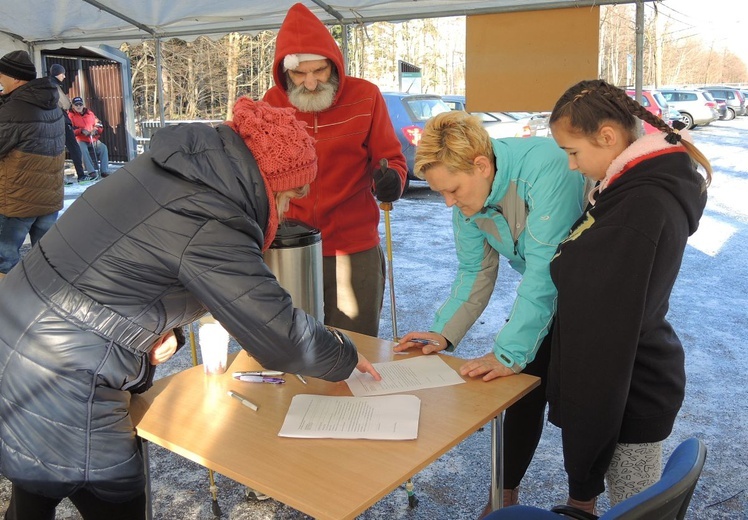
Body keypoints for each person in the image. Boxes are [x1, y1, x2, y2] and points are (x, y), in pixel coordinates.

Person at [0, 97, 381, 520]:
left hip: (20, 338)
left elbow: (127, 269)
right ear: (266, 179)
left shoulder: (170, 171)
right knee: (114, 495)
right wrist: (343, 354)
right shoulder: (211, 216)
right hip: (64, 368)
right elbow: (280, 335)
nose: (289, 210)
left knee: (34, 475)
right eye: (289, 195)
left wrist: (162, 331)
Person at [393, 110, 587, 514]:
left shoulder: (546, 168)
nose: (449, 203)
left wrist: (507, 353)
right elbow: (474, 270)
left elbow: (544, 271)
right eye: (440, 192)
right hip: (544, 288)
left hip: (591, 294)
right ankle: (503, 500)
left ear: (481, 165)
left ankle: (580, 505)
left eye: (453, 190)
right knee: (516, 395)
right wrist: (442, 333)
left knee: (579, 403)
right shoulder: (469, 195)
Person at [545, 79, 710, 514]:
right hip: (628, 385)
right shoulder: (627, 190)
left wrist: (582, 479)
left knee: (634, 511)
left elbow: (606, 341)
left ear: (608, 136)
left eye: (573, 152)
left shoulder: (638, 205)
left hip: (627, 396)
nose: (571, 166)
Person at [263, 2, 408, 337]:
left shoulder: (365, 96)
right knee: (293, 342)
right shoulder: (271, 102)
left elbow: (392, 159)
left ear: (334, 63)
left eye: (320, 71)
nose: (311, 83)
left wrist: (392, 181)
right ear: (284, 72)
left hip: (352, 245)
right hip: (289, 242)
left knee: (353, 343)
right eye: (300, 74)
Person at [0, 50, 65, 277]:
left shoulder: (15, 110)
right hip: (48, 198)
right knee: (46, 259)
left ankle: (8, 307)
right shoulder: (51, 104)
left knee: (4, 259)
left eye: (2, 75)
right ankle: (46, 302)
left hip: (19, 199)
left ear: (16, 78)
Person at [48, 63, 89, 183]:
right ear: (58, 74)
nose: (64, 77)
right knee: (74, 147)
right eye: (63, 74)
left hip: (51, 121)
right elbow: (65, 104)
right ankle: (81, 176)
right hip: (62, 120)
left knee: (56, 149)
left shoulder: (45, 85)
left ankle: (58, 179)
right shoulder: (54, 85)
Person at [68, 96, 110, 178]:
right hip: (80, 139)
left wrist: (96, 129)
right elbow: (69, 129)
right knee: (83, 150)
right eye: (76, 105)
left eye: (80, 104)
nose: (79, 106)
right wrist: (81, 130)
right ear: (73, 106)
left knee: (103, 148)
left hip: (92, 139)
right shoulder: (70, 115)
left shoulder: (89, 113)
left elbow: (99, 124)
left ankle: (104, 171)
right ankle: (91, 171)